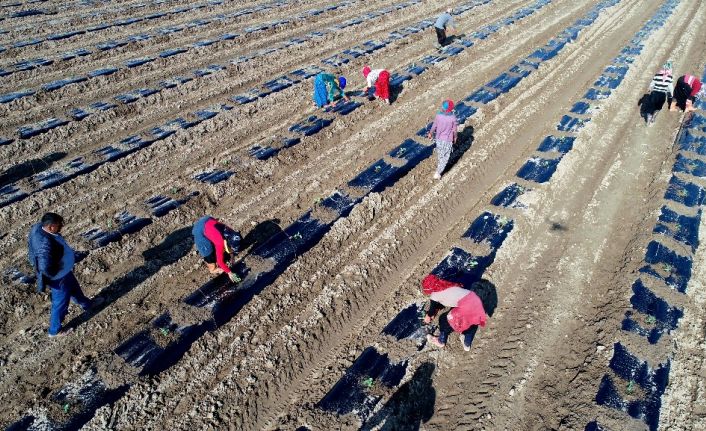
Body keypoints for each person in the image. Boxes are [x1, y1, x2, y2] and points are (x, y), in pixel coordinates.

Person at [28, 213, 95, 337]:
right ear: (51, 227)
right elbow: (44, 267)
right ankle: (55, 331)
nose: (61, 227)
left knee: (75, 288)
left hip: (65, 273)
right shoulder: (45, 244)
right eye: (59, 225)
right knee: (60, 303)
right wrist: (57, 273)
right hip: (59, 278)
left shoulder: (39, 227)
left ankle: (87, 304)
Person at [422, 275, 494, 352]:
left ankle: (441, 341)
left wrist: (427, 318)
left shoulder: (434, 296)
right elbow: (447, 298)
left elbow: (430, 313)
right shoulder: (447, 284)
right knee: (471, 321)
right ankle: (467, 343)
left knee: (443, 319)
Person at [192, 216, 241, 282]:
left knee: (219, 249)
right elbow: (220, 262)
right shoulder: (219, 242)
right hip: (198, 231)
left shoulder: (231, 232)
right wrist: (230, 273)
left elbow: (231, 246)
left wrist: (232, 257)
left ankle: (212, 241)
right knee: (210, 256)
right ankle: (212, 270)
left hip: (208, 219)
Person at [427, 100, 458, 179]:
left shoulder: (438, 116)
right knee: (445, 157)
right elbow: (454, 130)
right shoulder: (452, 118)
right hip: (448, 140)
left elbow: (434, 125)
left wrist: (430, 133)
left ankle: (439, 164)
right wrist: (455, 137)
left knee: (441, 153)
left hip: (439, 139)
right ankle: (438, 172)